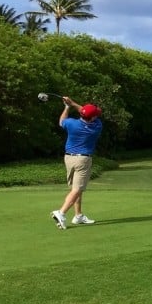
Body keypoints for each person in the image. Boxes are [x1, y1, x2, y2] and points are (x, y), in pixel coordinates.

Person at [50, 96, 103, 229]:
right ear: (92, 118)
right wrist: (73, 103)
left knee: (76, 189)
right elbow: (85, 112)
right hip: (83, 160)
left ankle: (78, 216)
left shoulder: (71, 123)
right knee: (77, 189)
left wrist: (67, 106)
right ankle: (61, 213)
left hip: (68, 158)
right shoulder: (96, 126)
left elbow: (61, 121)